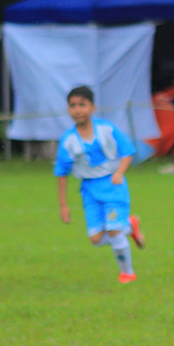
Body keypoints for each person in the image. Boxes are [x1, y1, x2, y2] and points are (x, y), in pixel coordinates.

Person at [55, 86, 145, 283]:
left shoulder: (107, 129)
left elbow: (128, 151)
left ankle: (127, 272)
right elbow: (61, 173)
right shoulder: (68, 140)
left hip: (113, 187)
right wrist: (63, 205)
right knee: (95, 240)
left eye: (82, 105)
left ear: (93, 107)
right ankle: (129, 226)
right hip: (89, 190)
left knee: (113, 231)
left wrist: (120, 172)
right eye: (73, 106)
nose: (77, 110)